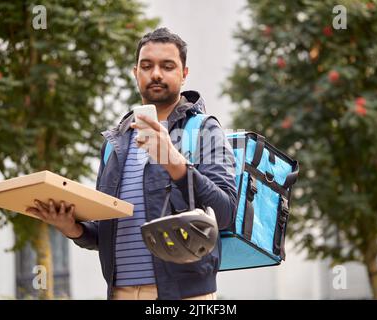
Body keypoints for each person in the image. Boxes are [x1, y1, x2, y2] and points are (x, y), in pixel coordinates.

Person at [26, 27, 237, 300]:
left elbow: (225, 213)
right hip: (120, 293)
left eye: (167, 66)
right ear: (135, 72)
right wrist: (73, 228)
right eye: (147, 66)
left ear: (184, 74)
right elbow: (107, 231)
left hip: (184, 296)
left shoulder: (204, 130)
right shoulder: (115, 143)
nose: (156, 74)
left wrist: (175, 163)